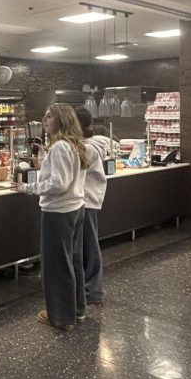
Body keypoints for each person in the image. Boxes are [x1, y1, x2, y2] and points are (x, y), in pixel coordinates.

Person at [21, 102, 89, 329]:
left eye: (49, 116)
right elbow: (66, 177)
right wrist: (44, 162)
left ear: (60, 120)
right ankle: (77, 310)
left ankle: (61, 317)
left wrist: (28, 188)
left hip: (58, 213)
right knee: (74, 261)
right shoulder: (74, 144)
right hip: (76, 208)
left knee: (56, 265)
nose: (44, 120)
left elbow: (59, 183)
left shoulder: (60, 146)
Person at [74, 108, 110, 308]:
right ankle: (88, 289)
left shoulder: (87, 148)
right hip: (86, 199)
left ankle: (92, 290)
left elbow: (69, 174)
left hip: (85, 199)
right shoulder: (90, 145)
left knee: (88, 245)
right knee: (88, 244)